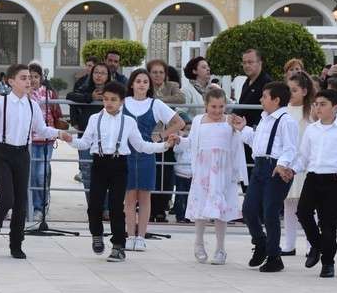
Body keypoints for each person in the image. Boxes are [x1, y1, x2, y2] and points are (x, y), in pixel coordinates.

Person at [0, 63, 72, 260]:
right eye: (23, 78)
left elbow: (41, 129)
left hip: (22, 154)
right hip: (2, 153)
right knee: (6, 198)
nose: (28, 81)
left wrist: (59, 133)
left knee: (21, 202)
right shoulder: (0, 103)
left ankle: (16, 244)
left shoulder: (33, 106)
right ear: (11, 81)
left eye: (29, 78)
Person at [69, 80, 173, 260]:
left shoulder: (129, 122)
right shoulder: (95, 119)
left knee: (116, 206)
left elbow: (141, 145)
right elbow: (85, 143)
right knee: (94, 205)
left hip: (119, 165)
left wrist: (163, 146)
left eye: (113, 100)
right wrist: (69, 139)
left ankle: (118, 245)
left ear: (122, 101)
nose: (109, 103)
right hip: (99, 164)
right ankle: (96, 234)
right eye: (106, 99)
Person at [290, 89, 337, 278]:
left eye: (323, 104)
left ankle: (328, 263)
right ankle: (316, 245)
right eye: (316, 104)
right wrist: (292, 169)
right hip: (313, 177)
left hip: (334, 180)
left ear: (335, 108)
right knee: (303, 213)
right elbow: (303, 156)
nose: (318, 108)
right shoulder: (311, 129)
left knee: (328, 223)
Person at [181, 87, 248, 265]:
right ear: (206, 105)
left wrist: (237, 173)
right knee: (201, 207)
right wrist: (179, 140)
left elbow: (237, 145)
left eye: (221, 107)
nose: (217, 111)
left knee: (221, 210)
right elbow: (192, 142)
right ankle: (198, 243)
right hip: (203, 170)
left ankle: (220, 248)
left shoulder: (230, 121)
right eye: (213, 107)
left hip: (223, 172)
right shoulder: (198, 121)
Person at [236, 81, 298, 272]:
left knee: (270, 211)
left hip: (276, 168)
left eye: (264, 96)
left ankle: (274, 256)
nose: (261, 100)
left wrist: (282, 165)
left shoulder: (287, 121)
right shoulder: (265, 119)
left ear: (276, 100)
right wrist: (244, 129)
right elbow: (257, 143)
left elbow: (291, 148)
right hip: (260, 167)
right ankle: (261, 243)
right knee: (248, 209)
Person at [122, 68, 185, 249]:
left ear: (149, 85)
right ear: (132, 84)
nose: (141, 85)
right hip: (126, 155)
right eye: (138, 81)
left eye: (145, 82)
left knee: (144, 197)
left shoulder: (155, 104)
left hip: (147, 154)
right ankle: (130, 236)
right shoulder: (123, 102)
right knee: (129, 198)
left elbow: (179, 122)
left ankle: (141, 237)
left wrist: (161, 135)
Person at [281, 71, 314, 256]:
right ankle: (289, 244)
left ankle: (311, 244)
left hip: (307, 163)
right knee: (288, 204)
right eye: (289, 89)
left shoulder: (311, 112)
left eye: (294, 90)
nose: (291, 93)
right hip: (288, 162)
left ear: (304, 91)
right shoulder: (284, 111)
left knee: (308, 206)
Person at [27, 63, 64, 225]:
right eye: (30, 77)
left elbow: (57, 113)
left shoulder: (49, 93)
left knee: (41, 174)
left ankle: (41, 207)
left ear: (41, 78)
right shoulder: (23, 94)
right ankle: (32, 207)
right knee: (31, 175)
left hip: (46, 140)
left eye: (36, 76)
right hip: (28, 140)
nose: (33, 80)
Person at [67, 62, 110, 198]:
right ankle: (92, 205)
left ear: (108, 76)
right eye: (96, 72)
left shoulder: (113, 90)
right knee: (87, 172)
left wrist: (106, 98)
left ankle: (105, 206)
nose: (99, 75)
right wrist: (90, 97)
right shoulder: (84, 87)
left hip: (106, 138)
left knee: (105, 174)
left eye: (103, 73)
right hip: (86, 136)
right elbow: (70, 96)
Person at [234, 48, 273, 130]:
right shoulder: (246, 82)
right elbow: (242, 105)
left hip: (257, 131)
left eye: (250, 62)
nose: (247, 66)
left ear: (260, 63)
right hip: (243, 129)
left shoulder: (267, 83)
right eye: (244, 63)